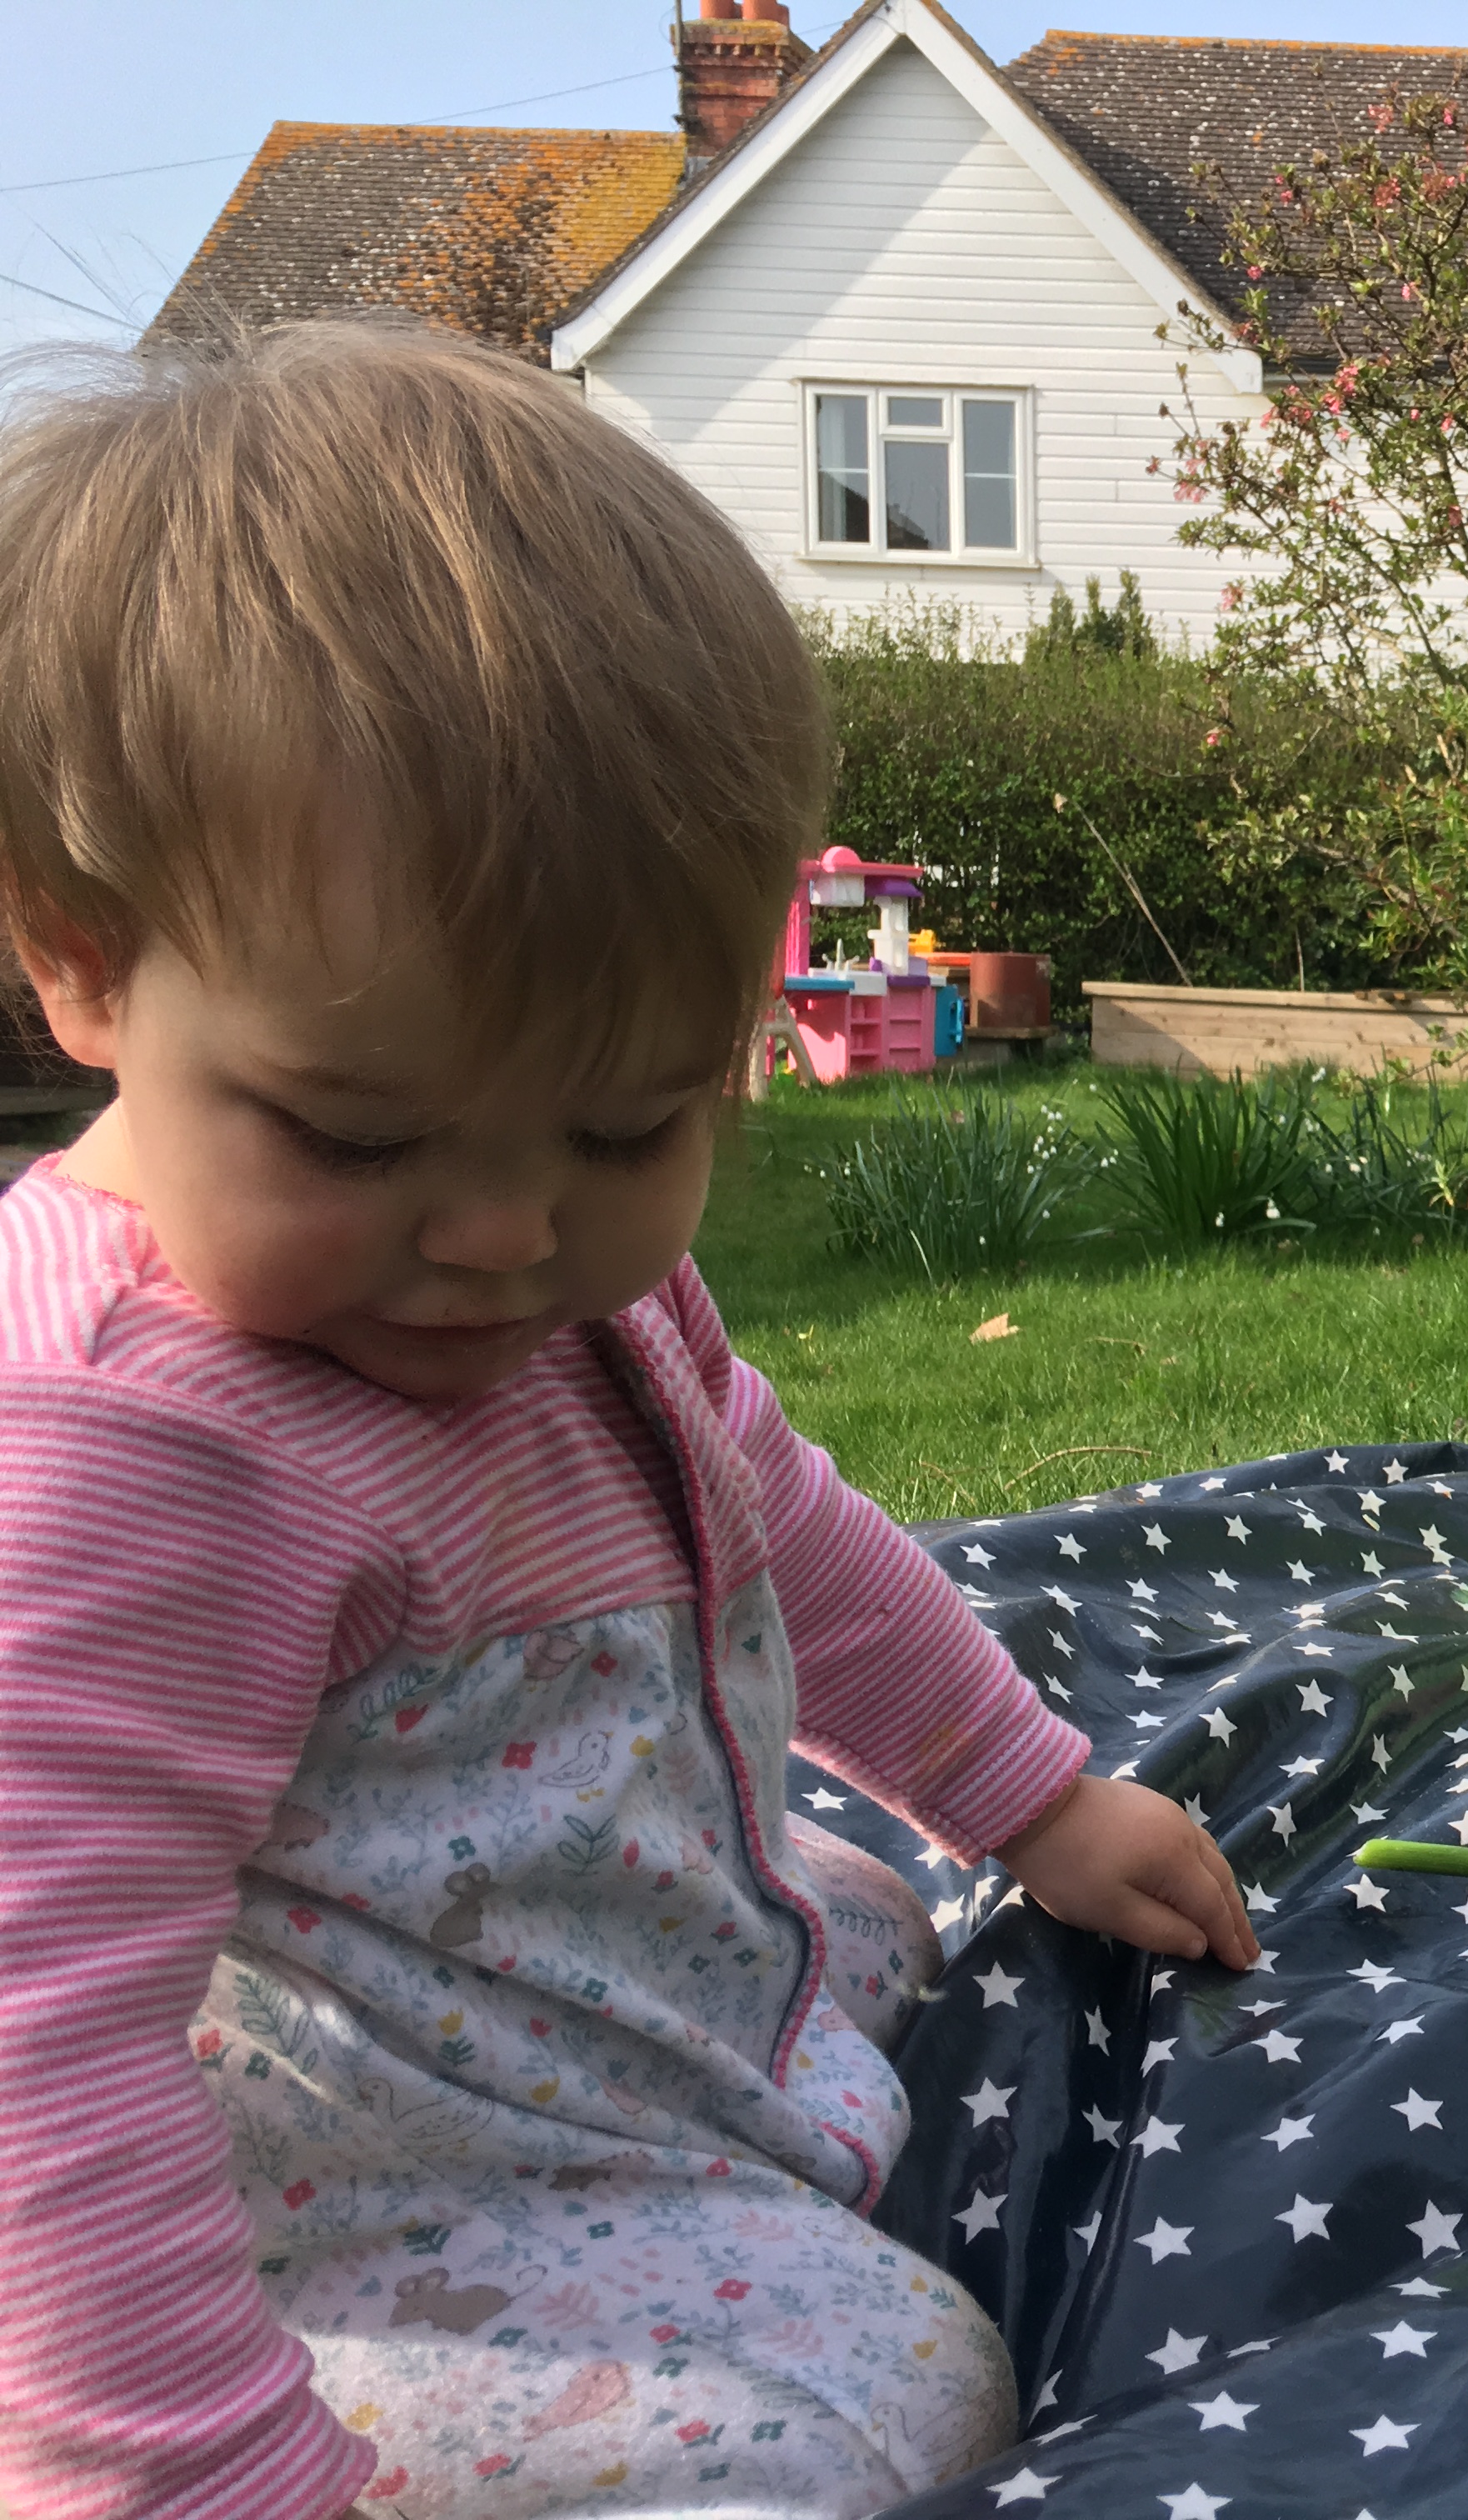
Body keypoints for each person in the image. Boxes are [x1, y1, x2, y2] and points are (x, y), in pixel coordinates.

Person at [0, 323, 1256, 2520]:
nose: (500, 1234)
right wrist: (211, 2474)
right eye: (353, 1136)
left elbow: (789, 1528)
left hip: (577, 1980)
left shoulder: (584, 1292)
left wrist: (1035, 1799)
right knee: (884, 2402)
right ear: (87, 967)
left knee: (870, 1904)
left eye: (626, 1119)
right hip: (349, 2189)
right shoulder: (138, 1460)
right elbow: (38, 2057)